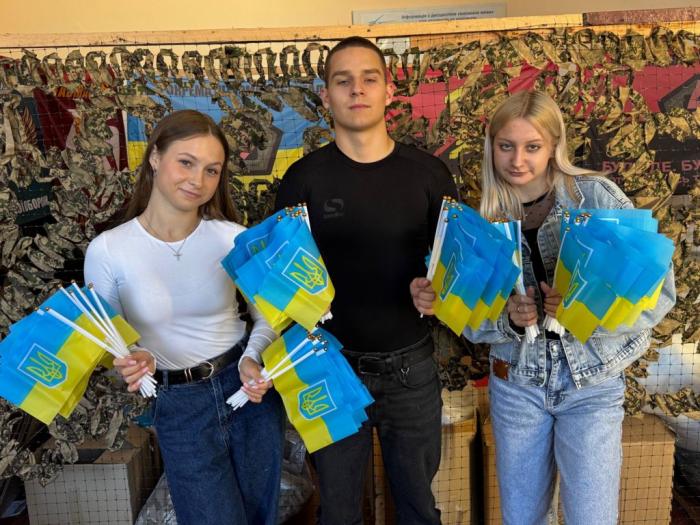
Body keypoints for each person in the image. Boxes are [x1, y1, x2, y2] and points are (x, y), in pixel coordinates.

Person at [413, 90, 676, 524]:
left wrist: (583, 309)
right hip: (517, 385)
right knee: (522, 518)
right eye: (506, 146)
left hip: (591, 385)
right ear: (491, 146)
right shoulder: (484, 219)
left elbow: (658, 293)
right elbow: (473, 322)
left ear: (554, 145)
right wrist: (509, 322)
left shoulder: (595, 198)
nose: (518, 160)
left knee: (591, 517)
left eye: (532, 147)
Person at [275, 36, 458, 525]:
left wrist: (439, 293)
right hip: (329, 369)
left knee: (418, 510)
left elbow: (457, 274)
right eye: (343, 81)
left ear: (388, 90)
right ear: (325, 97)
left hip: (411, 371)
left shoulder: (429, 174)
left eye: (369, 78)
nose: (357, 89)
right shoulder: (301, 180)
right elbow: (279, 282)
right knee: (338, 514)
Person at [84, 110, 286, 525]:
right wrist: (133, 357)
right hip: (179, 406)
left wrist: (253, 357)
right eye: (186, 162)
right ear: (155, 157)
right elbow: (105, 344)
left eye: (212, 170)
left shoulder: (231, 238)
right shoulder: (108, 250)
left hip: (246, 391)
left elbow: (268, 315)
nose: (198, 180)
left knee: (260, 517)